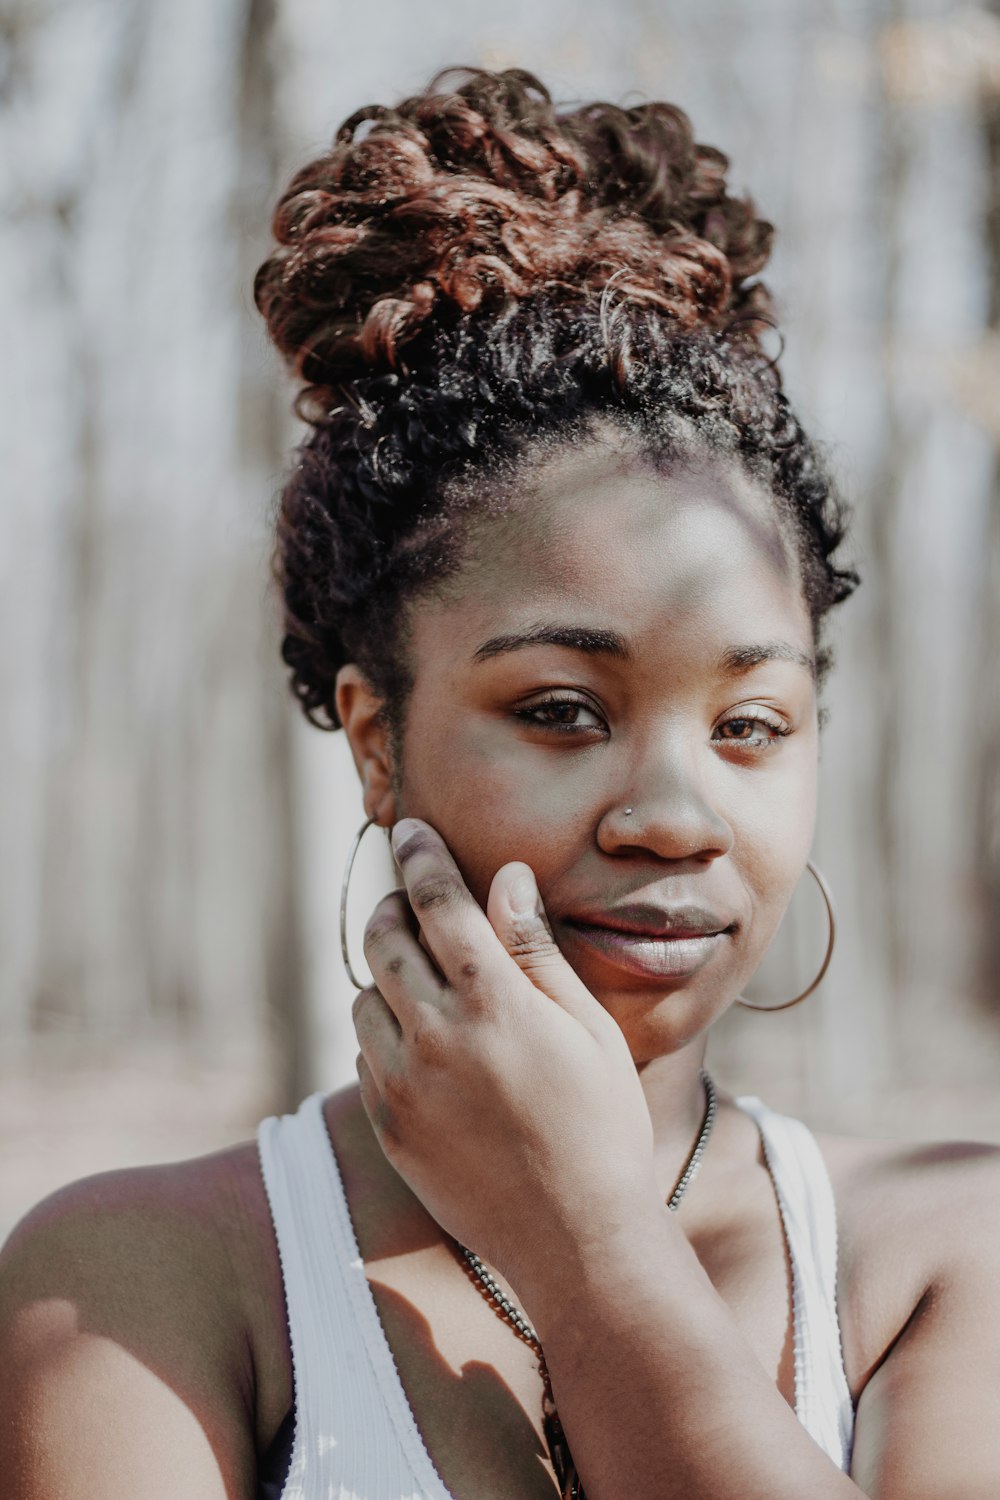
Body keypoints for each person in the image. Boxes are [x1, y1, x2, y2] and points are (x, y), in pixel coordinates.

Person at [2, 64, 999, 1500]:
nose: (674, 815)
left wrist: (588, 1249)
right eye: (560, 709)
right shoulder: (137, 1287)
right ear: (374, 740)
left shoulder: (943, 1254)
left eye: (752, 726)